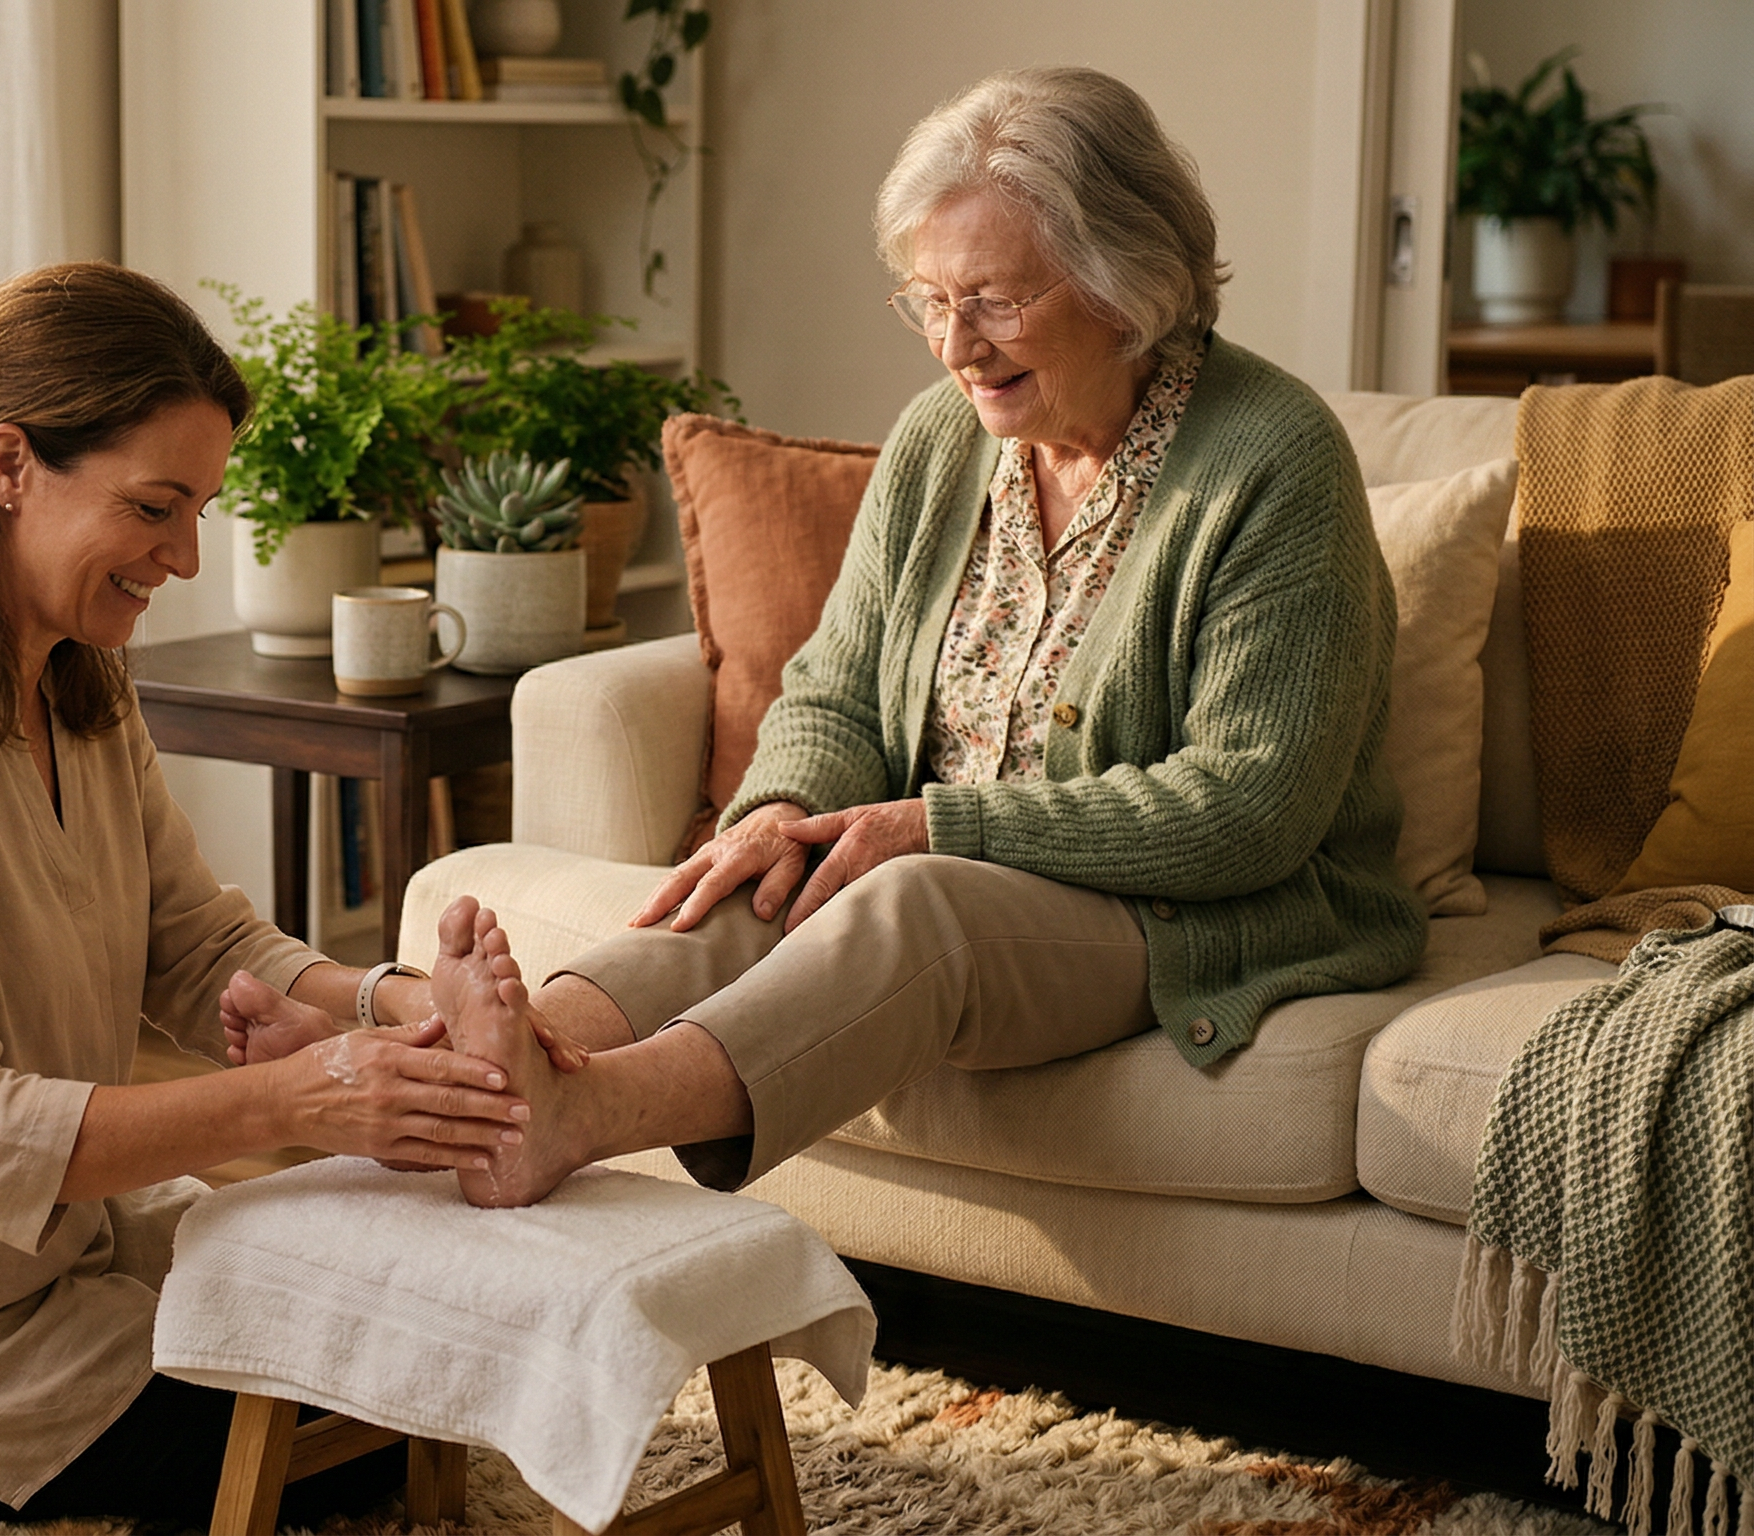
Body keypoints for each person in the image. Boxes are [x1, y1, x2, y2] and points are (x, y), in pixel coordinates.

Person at [234, 66, 1428, 1210]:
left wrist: (929, 825)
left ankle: (574, 1113)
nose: (957, 347)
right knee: (759, 875)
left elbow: (1249, 808)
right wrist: (777, 811)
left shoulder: (1274, 461)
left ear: (1126, 280)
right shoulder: (938, 440)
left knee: (914, 902)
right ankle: (451, 1082)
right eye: (932, 301)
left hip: (1185, 912)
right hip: (938, 861)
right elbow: (837, 691)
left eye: (998, 300)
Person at [0, 262, 530, 1523]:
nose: (182, 557)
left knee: (426, 1345)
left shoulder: (75, 671)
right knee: (352, 1430)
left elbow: (194, 939)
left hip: (56, 1254)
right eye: (154, 508)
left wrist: (387, 1006)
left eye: (200, 511)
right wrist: (299, 1097)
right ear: (9, 466)